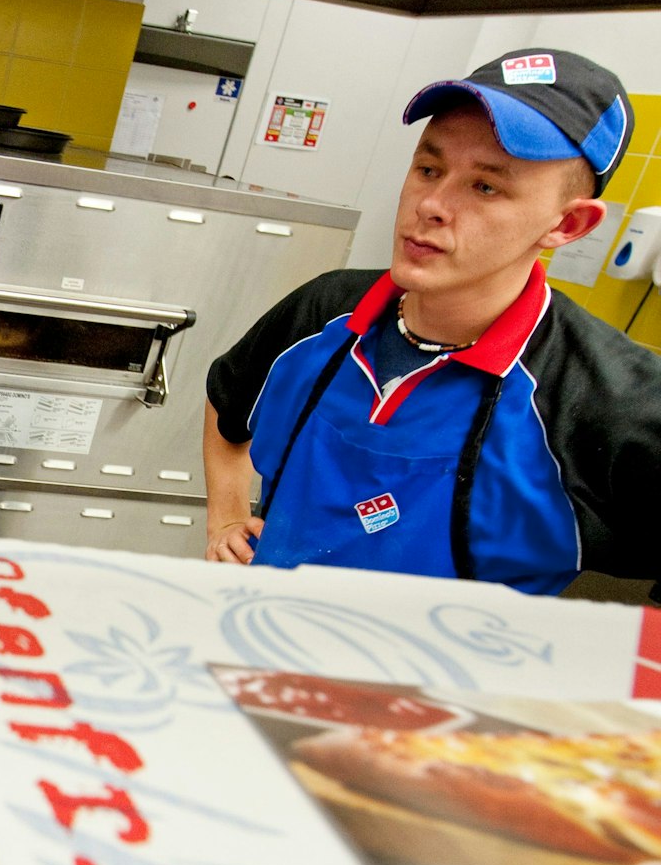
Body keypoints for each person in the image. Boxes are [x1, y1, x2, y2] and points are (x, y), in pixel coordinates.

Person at [204, 48, 661, 595]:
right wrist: (227, 516)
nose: (431, 204)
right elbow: (227, 397)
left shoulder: (608, 401)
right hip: (261, 646)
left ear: (568, 224)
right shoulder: (325, 312)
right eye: (429, 169)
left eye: (485, 186)